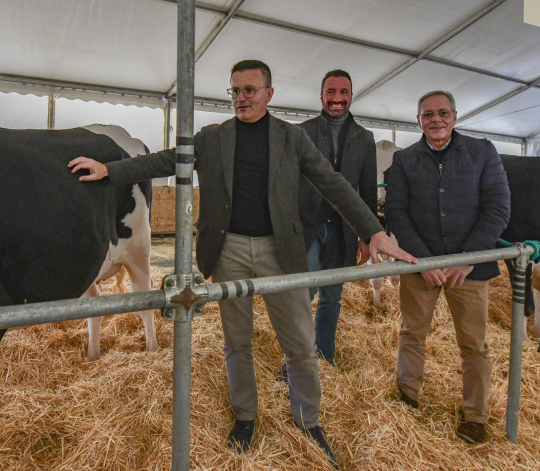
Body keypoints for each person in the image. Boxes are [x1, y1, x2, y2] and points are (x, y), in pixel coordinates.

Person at [69, 60, 417, 468]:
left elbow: (332, 182)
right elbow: (166, 160)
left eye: (250, 90)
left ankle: (308, 421)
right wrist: (112, 169)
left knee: (300, 344)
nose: (241, 98)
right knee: (237, 341)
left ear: (269, 94)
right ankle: (246, 417)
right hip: (227, 249)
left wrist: (372, 230)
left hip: (281, 251)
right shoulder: (213, 138)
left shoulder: (293, 138)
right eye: (235, 91)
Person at [383, 90, 511, 444]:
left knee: (474, 343)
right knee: (412, 333)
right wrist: (423, 261)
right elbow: (396, 212)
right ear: (418, 120)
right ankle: (407, 396)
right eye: (428, 114)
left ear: (455, 116)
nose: (435, 119)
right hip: (419, 266)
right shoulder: (405, 159)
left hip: (468, 270)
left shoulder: (482, 152)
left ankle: (475, 415)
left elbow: (498, 208)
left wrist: (468, 257)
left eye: (442, 113)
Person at [280, 70, 377, 378]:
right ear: (321, 96)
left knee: (332, 296)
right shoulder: (301, 132)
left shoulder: (365, 138)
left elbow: (368, 190)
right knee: (302, 294)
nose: (337, 98)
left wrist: (368, 235)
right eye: (331, 92)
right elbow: (287, 183)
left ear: (352, 95)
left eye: (343, 92)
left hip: (343, 230)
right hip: (308, 227)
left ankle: (325, 355)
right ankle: (295, 360)